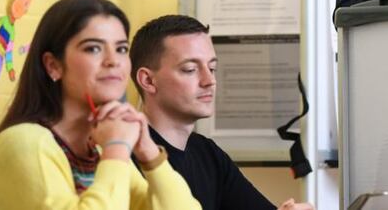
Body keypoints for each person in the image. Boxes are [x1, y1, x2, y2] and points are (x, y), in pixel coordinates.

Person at [0, 0, 201, 210]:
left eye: (121, 49)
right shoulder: (25, 143)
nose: (113, 61)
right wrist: (116, 148)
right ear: (53, 65)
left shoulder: (99, 149)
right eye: (94, 49)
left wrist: (149, 154)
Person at [130, 14, 314, 210]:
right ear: (148, 81)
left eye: (212, 68)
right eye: (190, 69)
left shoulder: (208, 153)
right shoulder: (125, 157)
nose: (209, 80)